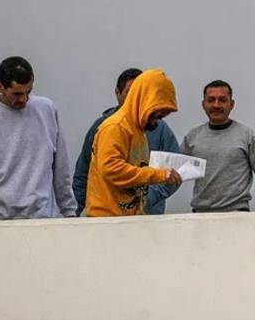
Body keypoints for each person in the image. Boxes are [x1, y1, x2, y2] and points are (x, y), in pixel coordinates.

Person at [0, 56, 77, 220]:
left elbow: (61, 168)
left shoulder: (47, 109)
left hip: (41, 218)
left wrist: (69, 212)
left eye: (29, 92)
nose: (24, 99)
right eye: (17, 94)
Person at [73, 68, 181, 216]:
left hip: (127, 221)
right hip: (108, 221)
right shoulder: (115, 127)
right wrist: (158, 175)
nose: (163, 116)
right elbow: (110, 168)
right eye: (159, 110)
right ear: (144, 99)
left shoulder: (138, 131)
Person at [181, 80, 255, 212]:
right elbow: (173, 173)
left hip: (237, 216)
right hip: (200, 217)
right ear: (203, 104)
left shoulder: (246, 135)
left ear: (231, 104)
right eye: (211, 100)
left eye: (222, 100)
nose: (216, 105)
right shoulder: (192, 137)